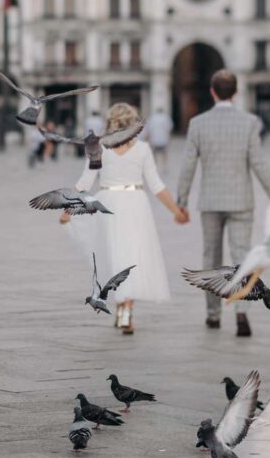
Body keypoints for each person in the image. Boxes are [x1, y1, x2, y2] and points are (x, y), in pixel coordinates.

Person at [60, 102, 187, 335]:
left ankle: (121, 307)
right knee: (132, 257)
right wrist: (176, 211)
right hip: (135, 203)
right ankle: (127, 311)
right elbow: (157, 186)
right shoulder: (143, 149)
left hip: (107, 202)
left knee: (113, 256)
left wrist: (68, 208)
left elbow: (85, 182)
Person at [176, 69, 270, 337]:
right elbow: (258, 163)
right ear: (236, 92)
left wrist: (181, 200)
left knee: (211, 258)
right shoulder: (249, 122)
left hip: (210, 201)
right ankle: (242, 313)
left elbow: (188, 164)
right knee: (242, 257)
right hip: (241, 200)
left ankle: (212, 315)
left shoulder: (198, 123)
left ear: (212, 91)